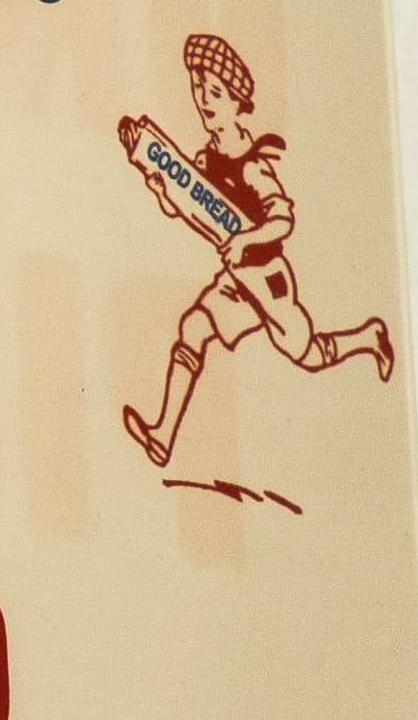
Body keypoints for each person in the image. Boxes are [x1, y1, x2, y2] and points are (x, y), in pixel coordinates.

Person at [120, 28, 388, 468]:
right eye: (198, 87)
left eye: (215, 91)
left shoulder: (252, 164)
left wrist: (248, 239)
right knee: (194, 328)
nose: (203, 99)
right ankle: (163, 437)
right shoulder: (206, 161)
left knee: (307, 353)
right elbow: (193, 212)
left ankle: (368, 338)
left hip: (268, 280)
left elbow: (283, 219)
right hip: (235, 281)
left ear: (236, 101)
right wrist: (162, 189)